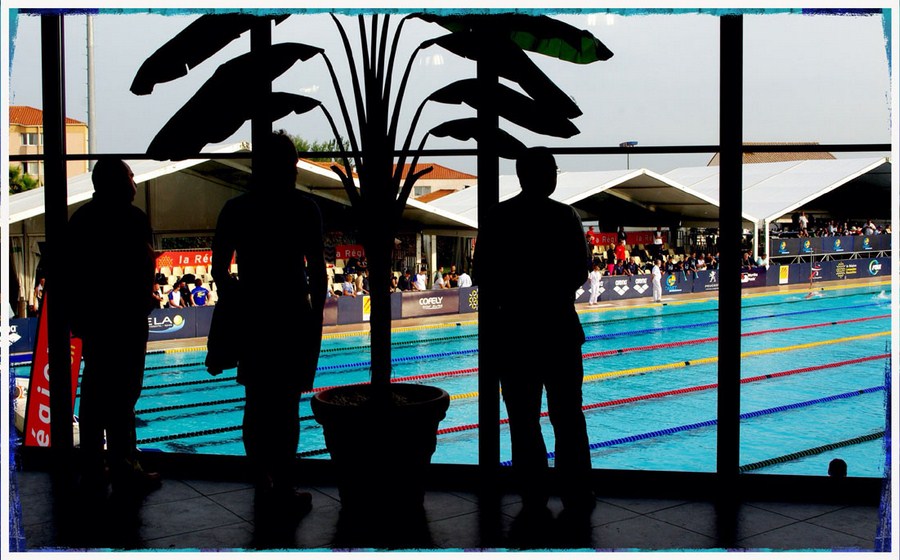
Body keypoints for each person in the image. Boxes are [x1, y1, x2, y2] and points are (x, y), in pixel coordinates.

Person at [210, 130, 326, 518]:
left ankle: (262, 479)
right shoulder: (305, 209)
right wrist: (316, 318)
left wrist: (237, 304)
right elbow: (318, 273)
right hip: (292, 315)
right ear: (283, 167)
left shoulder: (235, 209)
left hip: (256, 316)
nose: (294, 171)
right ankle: (286, 484)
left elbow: (219, 271)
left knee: (256, 403)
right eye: (291, 165)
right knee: (287, 405)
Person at [474, 147, 594, 515]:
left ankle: (533, 492)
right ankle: (575, 490)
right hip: (557, 328)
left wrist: (502, 309)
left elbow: (481, 277)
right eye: (554, 169)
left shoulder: (498, 216)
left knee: (523, 420)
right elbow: (579, 271)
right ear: (544, 175)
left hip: (512, 334)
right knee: (568, 414)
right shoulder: (564, 216)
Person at [66, 157, 161, 500]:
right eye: (130, 176)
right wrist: (144, 299)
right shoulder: (131, 218)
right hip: (124, 320)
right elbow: (140, 263)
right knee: (124, 393)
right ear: (118, 183)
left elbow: (72, 274)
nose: (135, 181)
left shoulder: (81, 219)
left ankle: (93, 465)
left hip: (95, 321)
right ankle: (125, 465)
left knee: (94, 392)